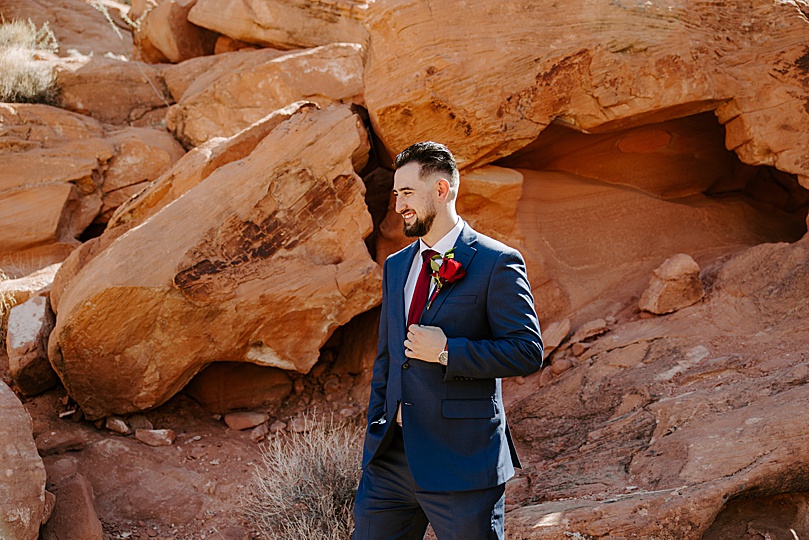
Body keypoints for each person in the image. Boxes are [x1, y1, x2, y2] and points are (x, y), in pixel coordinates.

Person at [353, 141, 544, 540]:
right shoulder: (396, 266)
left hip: (461, 462)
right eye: (395, 194)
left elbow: (527, 351)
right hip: (390, 461)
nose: (399, 204)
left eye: (407, 193)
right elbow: (387, 358)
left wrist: (446, 351)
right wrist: (376, 430)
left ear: (441, 190)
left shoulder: (497, 262)